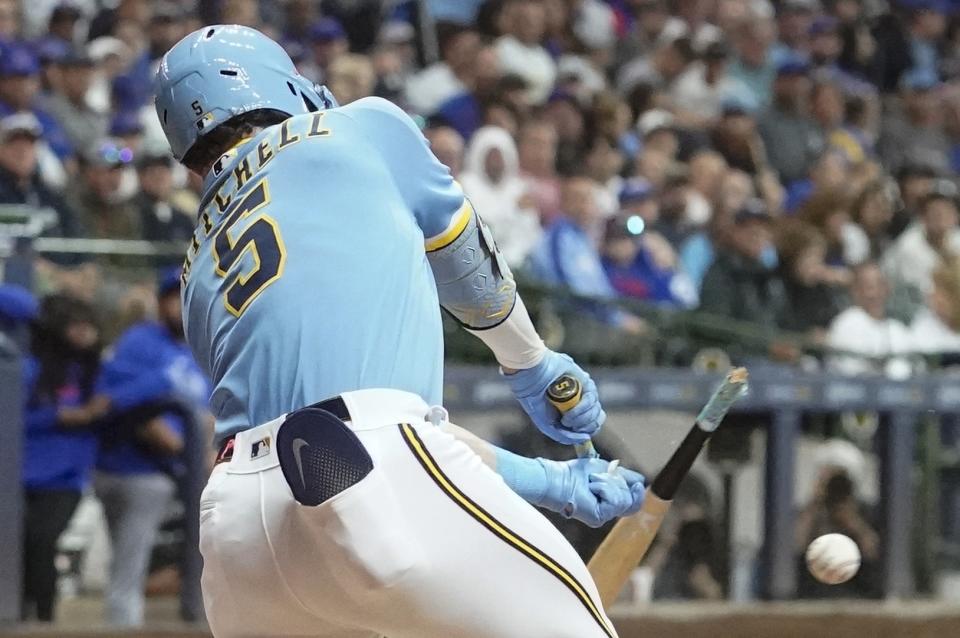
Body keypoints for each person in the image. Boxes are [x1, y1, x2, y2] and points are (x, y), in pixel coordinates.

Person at [155, 25, 643, 638]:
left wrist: (546, 480)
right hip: (356, 468)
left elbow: (357, 427)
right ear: (284, 85)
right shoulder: (357, 125)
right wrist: (530, 362)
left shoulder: (194, 268)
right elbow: (467, 263)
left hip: (238, 532)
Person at [94, 269, 211, 627]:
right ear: (161, 302)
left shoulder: (202, 349)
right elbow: (119, 403)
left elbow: (209, 416)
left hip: (184, 473)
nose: (182, 305)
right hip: (136, 469)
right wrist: (182, 448)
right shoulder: (140, 342)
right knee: (131, 564)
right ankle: (122, 625)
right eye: (174, 296)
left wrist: (205, 454)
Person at [20, 295, 107, 622]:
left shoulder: (94, 370)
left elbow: (121, 396)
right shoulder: (31, 368)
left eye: (88, 325)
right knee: (20, 547)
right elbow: (15, 417)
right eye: (76, 326)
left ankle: (42, 620)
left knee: (41, 541)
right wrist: (61, 416)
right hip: (20, 475)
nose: (86, 333)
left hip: (66, 477)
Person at [826, 262, 914, 376]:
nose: (876, 293)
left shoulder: (897, 328)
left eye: (880, 285)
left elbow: (908, 369)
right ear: (855, 291)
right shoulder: (846, 323)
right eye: (869, 287)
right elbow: (850, 371)